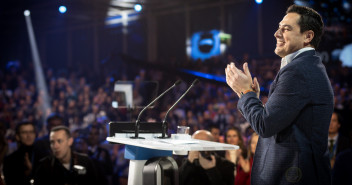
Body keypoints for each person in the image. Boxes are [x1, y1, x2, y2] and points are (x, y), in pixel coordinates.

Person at [225, 4, 333, 185]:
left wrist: (246, 92)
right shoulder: (306, 66)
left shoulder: (298, 71)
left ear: (308, 36)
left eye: (286, 29)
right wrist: (249, 95)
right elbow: (277, 121)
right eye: (278, 28)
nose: (277, 33)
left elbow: (265, 125)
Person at [33, 125, 98, 185]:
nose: (55, 146)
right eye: (52, 142)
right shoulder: (44, 166)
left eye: (59, 141)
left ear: (70, 141)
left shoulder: (84, 161)